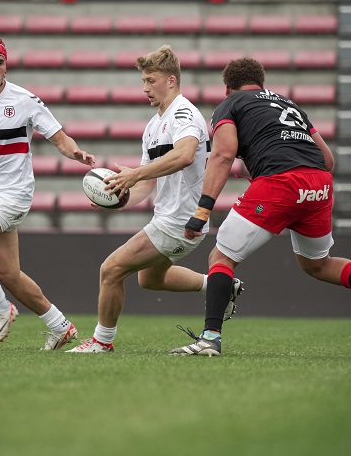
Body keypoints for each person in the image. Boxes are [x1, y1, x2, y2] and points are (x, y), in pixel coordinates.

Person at [170, 56, 351, 356]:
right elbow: (328, 161)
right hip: (319, 184)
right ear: (261, 83)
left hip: (280, 183)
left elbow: (222, 155)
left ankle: (210, 339)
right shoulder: (290, 105)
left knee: (221, 256)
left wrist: (203, 210)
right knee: (317, 263)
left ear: (227, 88)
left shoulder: (231, 104)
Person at [67, 44, 244, 353]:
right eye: (143, 81)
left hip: (182, 220)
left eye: (151, 80)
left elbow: (186, 155)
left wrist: (134, 173)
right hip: (168, 218)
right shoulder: (153, 127)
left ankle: (101, 341)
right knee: (149, 279)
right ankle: (219, 285)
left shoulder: (185, 113)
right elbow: (148, 182)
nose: (145, 88)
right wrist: (118, 198)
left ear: (171, 80)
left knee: (110, 270)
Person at [0, 35, 95, 350]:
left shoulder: (24, 100)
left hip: (14, 194)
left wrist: (76, 153)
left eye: (0, 62)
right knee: (7, 273)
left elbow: (59, 137)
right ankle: (60, 326)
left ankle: (1, 308)